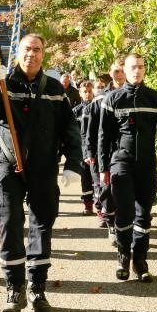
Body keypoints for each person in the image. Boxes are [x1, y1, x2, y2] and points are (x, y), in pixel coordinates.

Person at [0, 34, 82, 312]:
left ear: (43, 54)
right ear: (18, 52)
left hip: (43, 169)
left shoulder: (54, 89)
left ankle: (37, 288)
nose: (32, 54)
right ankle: (15, 288)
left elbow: (69, 129)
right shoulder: (3, 83)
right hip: (8, 166)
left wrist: (74, 163)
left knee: (42, 226)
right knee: (10, 223)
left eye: (37, 49)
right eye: (27, 49)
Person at [98, 53, 157, 282]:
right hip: (120, 162)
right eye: (133, 67)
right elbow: (103, 136)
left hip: (147, 163)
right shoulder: (112, 99)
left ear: (145, 69)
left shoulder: (155, 98)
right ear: (124, 69)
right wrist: (104, 167)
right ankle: (123, 255)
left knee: (143, 214)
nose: (137, 71)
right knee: (125, 212)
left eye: (141, 67)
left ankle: (140, 261)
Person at [85, 59, 126, 240]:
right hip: (104, 151)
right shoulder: (101, 98)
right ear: (110, 73)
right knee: (106, 189)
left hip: (125, 151)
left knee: (125, 190)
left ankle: (124, 225)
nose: (119, 74)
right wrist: (89, 152)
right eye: (116, 71)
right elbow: (92, 128)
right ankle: (111, 223)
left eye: (122, 71)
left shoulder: (134, 94)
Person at [72, 79, 95, 215]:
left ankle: (100, 206)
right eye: (85, 92)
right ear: (80, 94)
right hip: (82, 150)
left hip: (95, 149)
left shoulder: (98, 107)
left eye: (90, 92)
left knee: (96, 177)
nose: (87, 94)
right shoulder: (76, 111)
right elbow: (72, 132)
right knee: (85, 177)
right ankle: (87, 204)